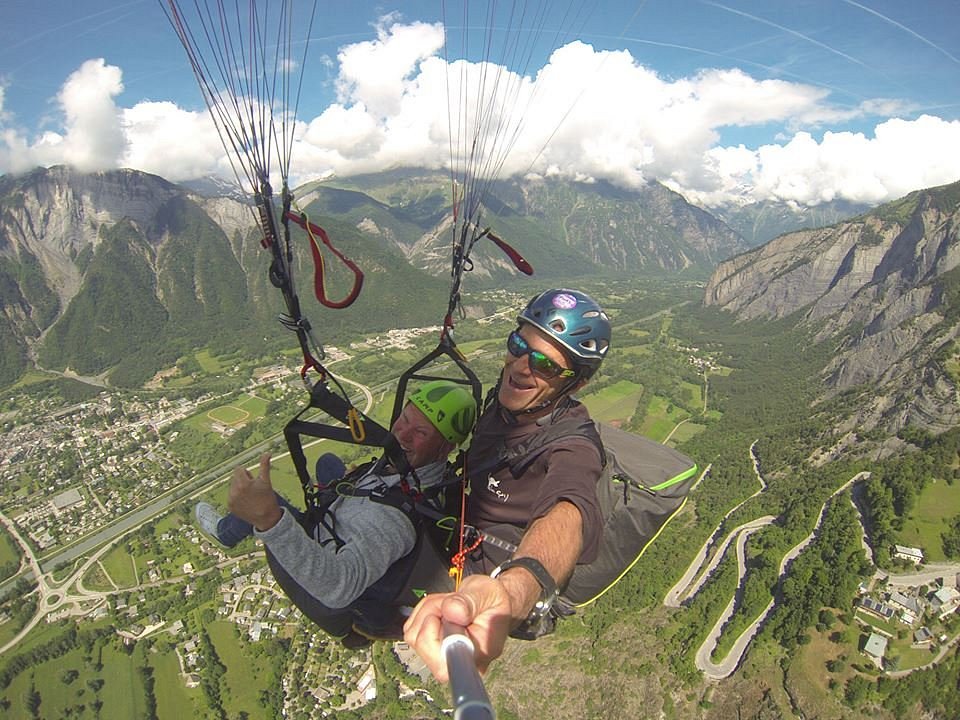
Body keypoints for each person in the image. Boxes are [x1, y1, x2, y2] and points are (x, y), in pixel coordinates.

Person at [403, 288, 611, 681]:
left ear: (575, 384)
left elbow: (568, 511)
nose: (520, 367)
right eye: (518, 344)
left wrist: (513, 594)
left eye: (545, 365)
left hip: (484, 564)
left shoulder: (573, 446)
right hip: (462, 517)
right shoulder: (510, 398)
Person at [195, 380, 477, 646]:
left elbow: (339, 587)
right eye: (404, 419)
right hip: (346, 527)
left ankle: (226, 533)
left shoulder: (394, 523)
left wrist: (270, 521)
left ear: (445, 449)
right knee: (328, 463)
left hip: (329, 595)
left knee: (266, 503)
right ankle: (342, 499)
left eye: (420, 433)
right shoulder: (408, 470)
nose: (401, 433)